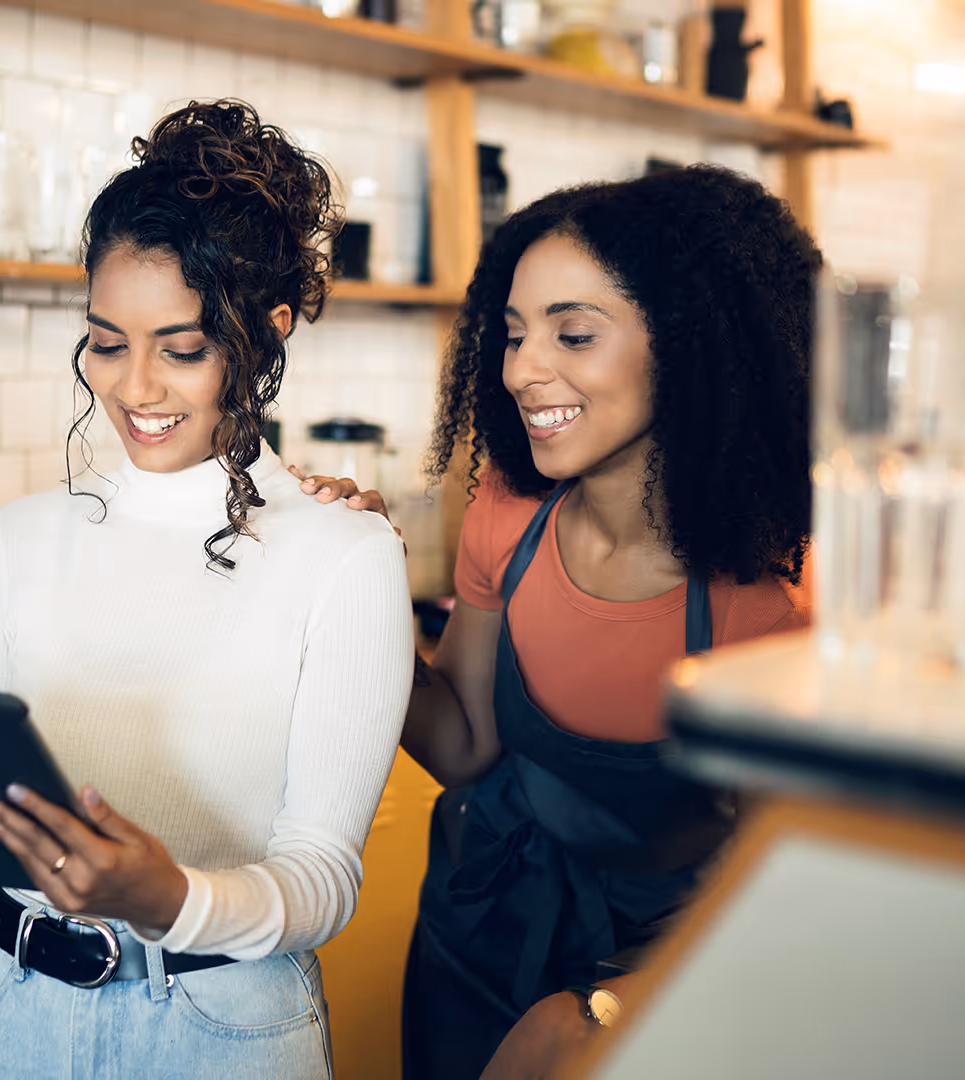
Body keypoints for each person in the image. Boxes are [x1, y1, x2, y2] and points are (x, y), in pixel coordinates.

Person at [0, 101, 414, 1080]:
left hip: (220, 1032)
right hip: (7, 1018)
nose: (136, 386)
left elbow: (322, 879)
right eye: (107, 342)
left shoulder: (345, 553)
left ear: (270, 331)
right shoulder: (23, 540)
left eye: (182, 348)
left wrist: (167, 897)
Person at [319, 167, 818, 1078]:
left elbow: (791, 896)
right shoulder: (509, 513)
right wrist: (353, 588)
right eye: (511, 336)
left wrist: (606, 1006)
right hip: (483, 923)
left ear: (693, 345)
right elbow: (464, 744)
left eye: (573, 334)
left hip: (675, 967)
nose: (519, 370)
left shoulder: (774, 601)